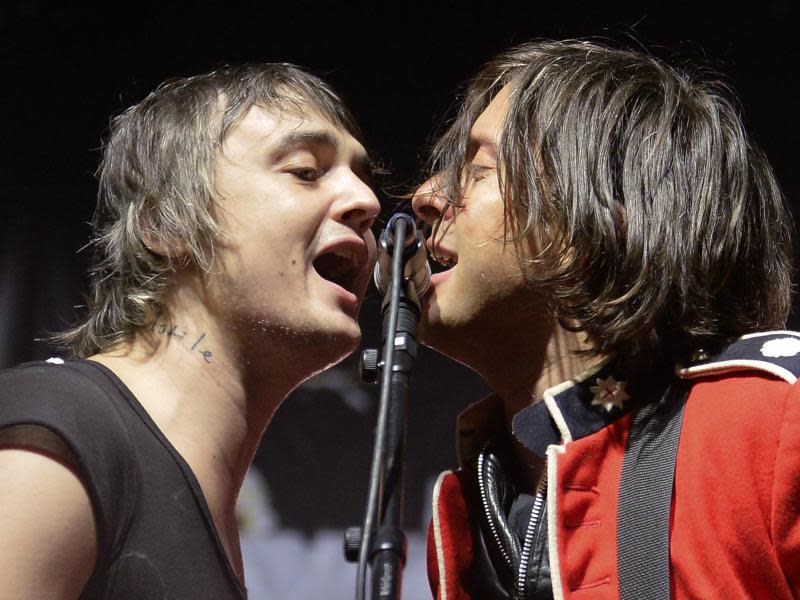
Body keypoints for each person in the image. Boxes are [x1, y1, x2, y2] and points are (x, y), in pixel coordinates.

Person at [411, 39, 799, 599]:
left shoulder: (768, 423)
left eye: (479, 168)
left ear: (598, 220)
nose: (428, 196)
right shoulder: (472, 509)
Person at [0, 63, 380, 598]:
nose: (366, 201)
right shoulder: (60, 429)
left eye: (360, 174)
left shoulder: (201, 505)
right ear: (167, 223)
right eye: (305, 171)